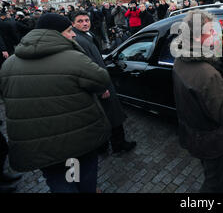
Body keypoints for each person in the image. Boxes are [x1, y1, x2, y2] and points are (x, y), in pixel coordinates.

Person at [0, 13, 111, 193]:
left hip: (38, 144)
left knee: (59, 180)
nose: (73, 34)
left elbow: (7, 97)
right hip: (77, 136)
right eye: (68, 31)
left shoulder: (9, 64)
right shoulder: (73, 58)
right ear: (54, 34)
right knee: (84, 176)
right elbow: (101, 80)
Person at [172, 10, 223, 193]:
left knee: (217, 175)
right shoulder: (207, 74)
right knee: (213, 182)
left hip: (193, 134)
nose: (215, 34)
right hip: (211, 141)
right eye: (211, 32)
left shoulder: (180, 60)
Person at [71, 11, 137, 154]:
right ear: (73, 24)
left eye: (86, 20)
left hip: (101, 81)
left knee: (106, 116)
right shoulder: (79, 40)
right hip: (101, 84)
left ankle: (104, 146)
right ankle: (118, 145)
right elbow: (87, 68)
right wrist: (100, 88)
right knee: (112, 116)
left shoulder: (85, 35)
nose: (84, 23)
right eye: (80, 21)